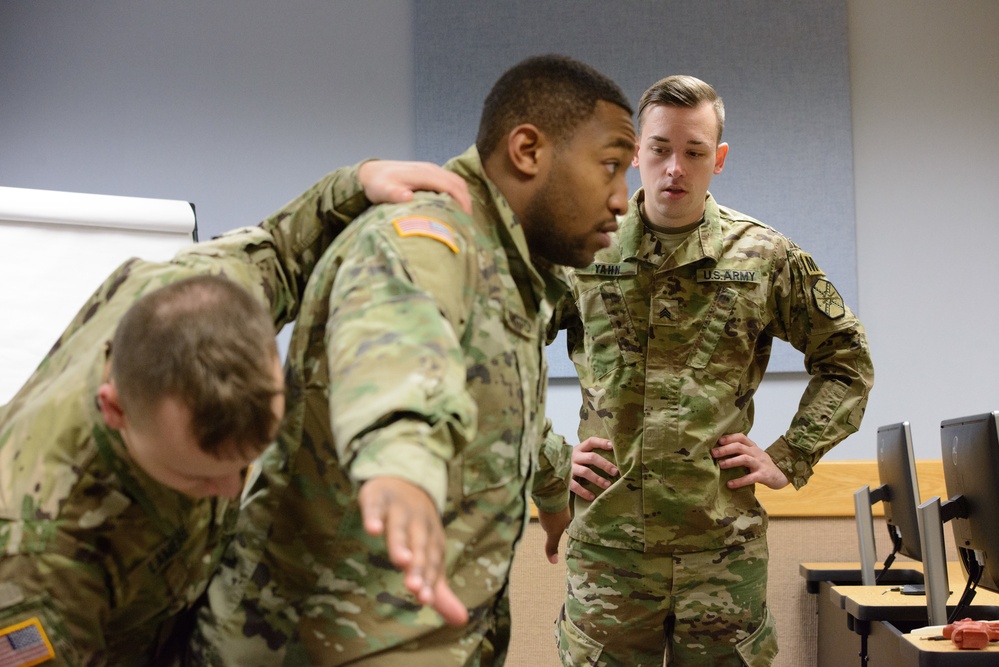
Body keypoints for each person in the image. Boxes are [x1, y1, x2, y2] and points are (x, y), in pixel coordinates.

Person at [188, 53, 637, 666]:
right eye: (611, 166)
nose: (622, 199)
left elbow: (496, 408)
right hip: (316, 642)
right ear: (528, 150)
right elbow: (395, 350)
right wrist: (398, 468)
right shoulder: (426, 238)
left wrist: (553, 492)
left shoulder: (513, 269)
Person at [0, 159, 472, 666]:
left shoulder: (215, 288)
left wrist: (357, 182)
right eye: (198, 473)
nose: (231, 489)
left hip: (185, 591)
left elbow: (284, 248)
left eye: (245, 461)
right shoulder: (38, 552)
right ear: (115, 410)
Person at [541, 75, 875, 666]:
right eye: (660, 149)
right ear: (634, 152)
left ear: (717, 160)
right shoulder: (579, 249)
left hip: (722, 552)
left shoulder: (765, 257)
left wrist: (789, 455)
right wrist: (545, 457)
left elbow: (847, 360)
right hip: (610, 556)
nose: (675, 168)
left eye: (694, 152)